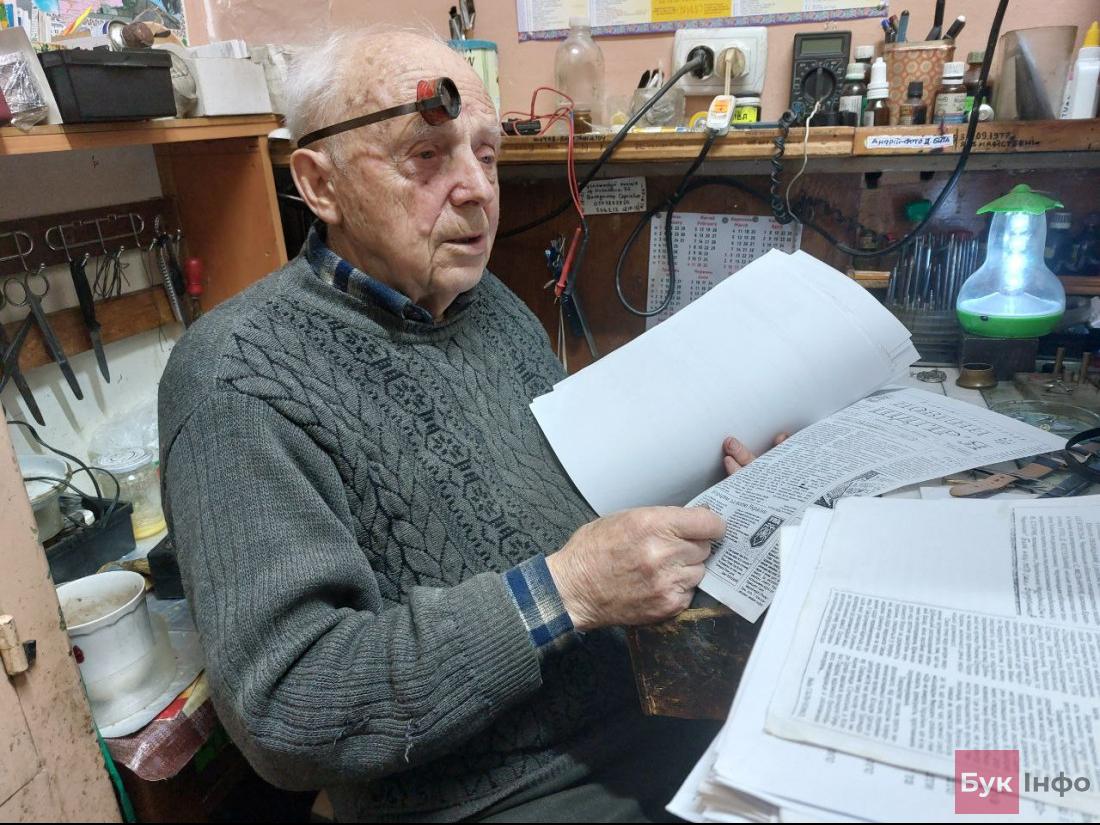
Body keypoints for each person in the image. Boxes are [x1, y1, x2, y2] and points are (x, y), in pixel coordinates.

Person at [159, 26, 781, 823]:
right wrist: (570, 589)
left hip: (655, 706)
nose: (478, 190)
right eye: (427, 155)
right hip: (506, 791)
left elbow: (578, 498)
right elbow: (287, 707)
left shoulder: (488, 307)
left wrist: (715, 493)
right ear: (320, 184)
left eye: (486, 155)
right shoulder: (237, 375)